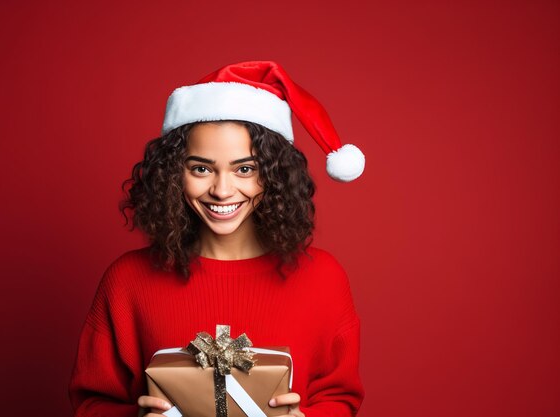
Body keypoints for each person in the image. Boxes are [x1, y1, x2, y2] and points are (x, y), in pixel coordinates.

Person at [69, 61, 366, 417]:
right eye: (201, 168)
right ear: (172, 173)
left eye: (245, 169)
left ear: (274, 175)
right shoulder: (127, 281)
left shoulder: (323, 278)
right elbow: (90, 403)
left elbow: (340, 398)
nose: (222, 190)